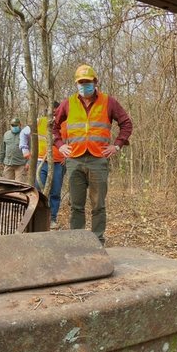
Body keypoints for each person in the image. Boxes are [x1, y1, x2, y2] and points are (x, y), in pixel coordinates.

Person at [53, 64, 133, 245]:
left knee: (98, 205)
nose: (84, 85)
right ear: (76, 84)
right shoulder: (68, 103)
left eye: (87, 82)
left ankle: (97, 240)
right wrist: (60, 145)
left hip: (98, 159)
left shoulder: (108, 102)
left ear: (95, 82)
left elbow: (126, 123)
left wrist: (117, 146)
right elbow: (54, 127)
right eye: (80, 82)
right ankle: (78, 241)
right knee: (76, 205)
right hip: (74, 160)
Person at [20, 102, 65, 229]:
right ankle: (38, 219)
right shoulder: (39, 122)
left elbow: (72, 140)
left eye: (57, 112)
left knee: (55, 192)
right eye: (52, 112)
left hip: (57, 163)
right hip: (40, 161)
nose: (54, 115)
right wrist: (25, 151)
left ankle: (53, 219)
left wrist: (68, 156)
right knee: (39, 191)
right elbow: (23, 134)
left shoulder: (65, 124)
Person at [0, 117, 27, 182]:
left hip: (20, 165)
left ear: (20, 125)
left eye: (16, 125)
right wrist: (0, 161)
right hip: (8, 164)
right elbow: (2, 149)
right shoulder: (6, 134)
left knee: (19, 185)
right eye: (13, 125)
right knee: (7, 185)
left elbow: (30, 149)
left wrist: (28, 163)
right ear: (10, 125)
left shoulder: (25, 134)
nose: (14, 127)